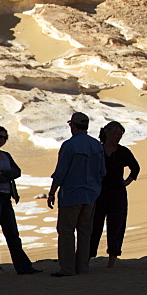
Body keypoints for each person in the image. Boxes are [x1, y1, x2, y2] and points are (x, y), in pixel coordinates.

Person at [47, 112, 106, 277]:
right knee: (85, 232)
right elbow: (102, 172)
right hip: (91, 195)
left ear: (73, 125)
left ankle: (67, 268)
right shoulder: (96, 145)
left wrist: (52, 192)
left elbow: (61, 172)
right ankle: (83, 267)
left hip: (71, 195)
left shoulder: (69, 145)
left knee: (66, 231)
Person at [0, 125, 41, 275]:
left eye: (5, 137)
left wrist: (4, 173)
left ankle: (23, 267)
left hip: (6, 196)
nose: (2, 140)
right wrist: (6, 175)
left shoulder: (6, 155)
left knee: (12, 233)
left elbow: (17, 171)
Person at [89, 121, 140, 268]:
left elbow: (135, 168)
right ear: (107, 133)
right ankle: (87, 258)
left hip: (117, 194)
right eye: (116, 134)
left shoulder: (123, 151)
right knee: (94, 225)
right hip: (98, 193)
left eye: (120, 135)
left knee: (116, 226)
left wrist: (128, 181)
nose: (118, 137)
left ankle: (112, 261)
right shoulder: (97, 150)